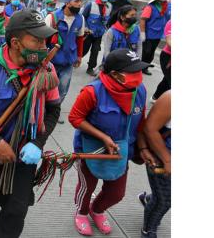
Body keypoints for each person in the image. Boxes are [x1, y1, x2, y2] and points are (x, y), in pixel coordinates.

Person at [0, 9, 61, 238]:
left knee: (16, 211)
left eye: (45, 39)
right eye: (36, 40)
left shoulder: (47, 69)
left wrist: (37, 143)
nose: (43, 45)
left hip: (25, 153)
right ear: (16, 43)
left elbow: (54, 109)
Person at [68, 48, 152, 236]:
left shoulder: (140, 91)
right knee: (87, 187)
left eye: (139, 70)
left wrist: (143, 148)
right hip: (91, 150)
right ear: (115, 75)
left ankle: (96, 210)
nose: (138, 76)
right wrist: (104, 137)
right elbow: (75, 118)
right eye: (133, 72)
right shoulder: (92, 92)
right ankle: (81, 213)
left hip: (123, 150)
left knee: (116, 193)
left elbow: (141, 122)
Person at [45, 0, 86, 110]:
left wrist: (79, 56)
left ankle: (54, 111)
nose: (80, 4)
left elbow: (80, 38)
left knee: (62, 90)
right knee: (47, 88)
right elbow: (42, 39)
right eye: (76, 1)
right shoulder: (52, 17)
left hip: (68, 61)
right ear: (67, 3)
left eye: (80, 1)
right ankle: (43, 110)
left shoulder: (80, 19)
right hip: (51, 60)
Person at [140, 90, 171, 238]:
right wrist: (167, 160)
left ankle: (149, 199)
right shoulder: (171, 98)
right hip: (161, 156)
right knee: (164, 200)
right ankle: (148, 230)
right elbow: (149, 128)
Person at [82, 0, 112, 76]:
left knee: (95, 50)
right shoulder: (90, 4)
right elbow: (83, 17)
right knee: (84, 50)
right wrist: (86, 28)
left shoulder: (109, 6)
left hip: (99, 34)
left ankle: (90, 68)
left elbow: (108, 19)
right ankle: (75, 59)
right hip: (88, 33)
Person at [140, 0, 170, 75]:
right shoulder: (150, 7)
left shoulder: (165, 6)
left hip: (158, 35)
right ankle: (141, 67)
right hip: (149, 35)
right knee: (146, 52)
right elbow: (143, 20)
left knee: (152, 52)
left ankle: (145, 67)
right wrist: (142, 33)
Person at [151, 20, 171, 103]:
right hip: (168, 56)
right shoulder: (172, 23)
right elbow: (169, 40)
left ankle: (156, 97)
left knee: (167, 80)